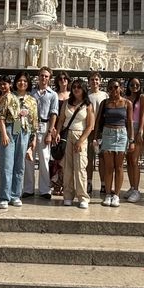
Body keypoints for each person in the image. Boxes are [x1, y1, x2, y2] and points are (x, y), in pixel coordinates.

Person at [0, 71, 39, 209]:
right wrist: (3, 133)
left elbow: (34, 122)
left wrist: (33, 140)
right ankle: (4, 196)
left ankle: (15, 195)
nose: (22, 83)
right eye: (20, 81)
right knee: (6, 164)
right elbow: (1, 116)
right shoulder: (8, 97)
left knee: (20, 165)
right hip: (10, 128)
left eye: (25, 81)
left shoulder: (32, 100)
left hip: (23, 131)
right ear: (16, 82)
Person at [96, 79, 133, 208]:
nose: (113, 90)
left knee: (119, 166)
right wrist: (96, 138)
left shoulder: (127, 103)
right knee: (108, 166)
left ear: (121, 88)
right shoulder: (104, 103)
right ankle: (107, 194)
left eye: (115, 87)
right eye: (110, 88)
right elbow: (98, 120)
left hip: (121, 134)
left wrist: (131, 140)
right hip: (107, 133)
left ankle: (116, 195)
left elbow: (129, 122)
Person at [23, 66, 59, 200]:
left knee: (44, 159)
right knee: (29, 158)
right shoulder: (31, 93)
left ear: (49, 79)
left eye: (46, 76)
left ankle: (45, 189)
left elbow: (54, 113)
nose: (43, 78)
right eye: (42, 76)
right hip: (31, 127)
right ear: (38, 77)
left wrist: (50, 132)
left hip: (44, 126)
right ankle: (28, 188)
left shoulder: (52, 94)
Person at [59, 78, 95, 208]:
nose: (76, 89)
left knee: (80, 167)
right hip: (67, 135)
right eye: (74, 87)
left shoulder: (88, 105)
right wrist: (57, 132)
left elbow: (90, 125)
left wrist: (81, 140)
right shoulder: (67, 103)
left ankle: (83, 197)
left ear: (83, 89)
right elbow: (61, 119)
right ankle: (68, 194)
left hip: (81, 135)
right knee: (67, 167)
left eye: (79, 87)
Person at [123, 78, 144, 202]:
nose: (134, 86)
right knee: (128, 160)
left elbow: (143, 115)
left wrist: (140, 131)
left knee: (134, 160)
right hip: (126, 128)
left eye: (137, 84)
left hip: (137, 127)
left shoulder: (142, 98)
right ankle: (132, 186)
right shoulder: (126, 98)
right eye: (132, 84)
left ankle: (137, 190)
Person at [87, 72, 108, 198]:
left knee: (102, 159)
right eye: (92, 79)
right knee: (89, 159)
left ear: (100, 82)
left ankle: (103, 183)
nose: (94, 82)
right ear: (89, 81)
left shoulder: (104, 95)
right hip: (89, 130)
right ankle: (89, 182)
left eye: (96, 79)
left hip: (101, 130)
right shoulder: (87, 95)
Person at [49, 71, 71, 195]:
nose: (63, 80)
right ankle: (56, 183)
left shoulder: (72, 95)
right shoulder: (54, 95)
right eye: (60, 79)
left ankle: (64, 183)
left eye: (65, 78)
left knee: (65, 158)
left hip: (67, 128)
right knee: (56, 156)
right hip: (56, 128)